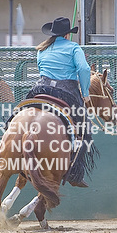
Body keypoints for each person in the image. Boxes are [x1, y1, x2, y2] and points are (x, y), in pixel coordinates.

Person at [26, 16, 93, 188]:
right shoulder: (73, 47)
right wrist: (85, 93)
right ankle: (75, 173)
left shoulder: (42, 49)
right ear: (67, 35)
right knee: (85, 129)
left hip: (40, 89)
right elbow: (84, 68)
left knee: (20, 112)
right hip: (65, 93)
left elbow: (41, 69)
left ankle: (3, 140)